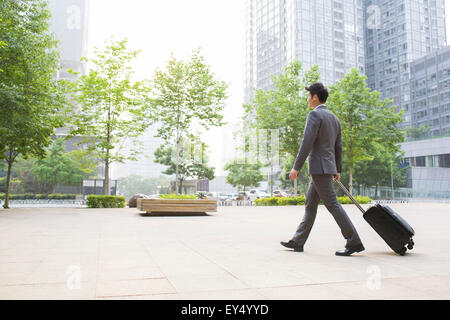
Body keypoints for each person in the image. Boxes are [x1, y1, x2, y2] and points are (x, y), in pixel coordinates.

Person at [280, 82, 365, 256]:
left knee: (332, 204)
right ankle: (298, 241)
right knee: (310, 204)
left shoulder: (314, 115)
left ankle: (353, 241)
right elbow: (338, 147)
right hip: (327, 167)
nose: (307, 99)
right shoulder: (334, 118)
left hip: (319, 168)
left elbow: (307, 142)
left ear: (315, 97)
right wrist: (337, 169)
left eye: (308, 95)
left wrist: (296, 167)